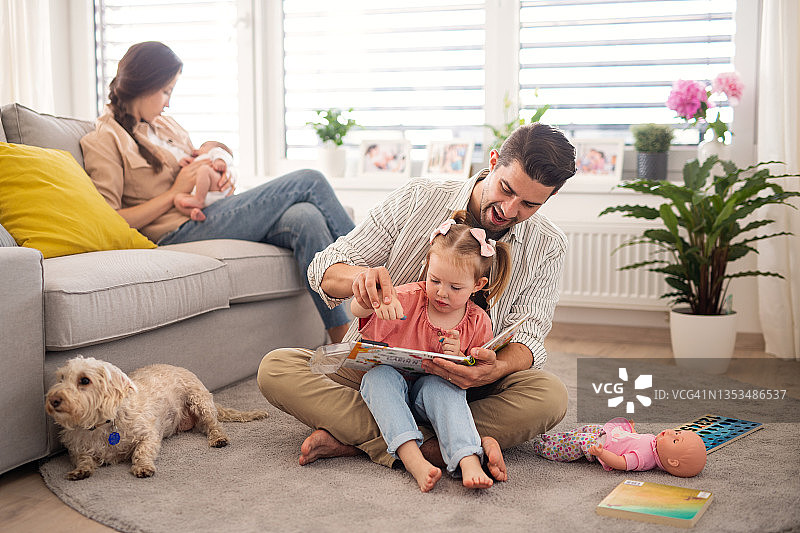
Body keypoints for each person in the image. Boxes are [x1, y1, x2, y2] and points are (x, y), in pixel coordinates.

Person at [257, 121, 576, 475]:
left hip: (463, 386)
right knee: (276, 368)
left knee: (550, 396)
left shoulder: (548, 244)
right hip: (375, 371)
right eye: (505, 189)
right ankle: (452, 445)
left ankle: (375, 440)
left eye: (530, 204)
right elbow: (323, 269)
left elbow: (529, 335)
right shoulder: (418, 198)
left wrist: (494, 369)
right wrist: (361, 279)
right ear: (493, 160)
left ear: (551, 197)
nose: (510, 209)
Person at [79, 41, 354, 343]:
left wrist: (224, 168)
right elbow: (110, 219)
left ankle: (343, 340)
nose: (168, 103)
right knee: (309, 180)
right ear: (145, 83)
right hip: (179, 229)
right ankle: (388, 272)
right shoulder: (104, 139)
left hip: (214, 210)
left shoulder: (164, 125)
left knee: (306, 216)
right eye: (166, 91)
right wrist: (173, 194)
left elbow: (207, 153)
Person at [355, 212, 512, 491]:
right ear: (427, 266)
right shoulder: (407, 299)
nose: (441, 293)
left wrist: (462, 356)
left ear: (478, 286)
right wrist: (373, 303)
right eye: (435, 280)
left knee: (441, 387)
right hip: (393, 389)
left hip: (435, 397)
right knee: (376, 378)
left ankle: (468, 459)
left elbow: (475, 373)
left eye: (455, 287)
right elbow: (357, 312)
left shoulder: (477, 321)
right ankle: (414, 459)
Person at [532, 418, 707, 477]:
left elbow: (621, 462)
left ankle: (545, 448)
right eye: (676, 433)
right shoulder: (654, 443)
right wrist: (632, 429)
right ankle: (552, 438)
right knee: (579, 431)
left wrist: (602, 453)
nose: (670, 433)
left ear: (672, 461)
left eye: (675, 441)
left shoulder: (644, 460)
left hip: (600, 445)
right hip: (606, 434)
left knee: (575, 443)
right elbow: (634, 440)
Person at [172, 141, 236, 222]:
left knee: (204, 169)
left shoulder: (215, 153)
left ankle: (199, 200)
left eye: (203, 146)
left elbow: (225, 155)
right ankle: (194, 212)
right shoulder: (197, 160)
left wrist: (220, 160)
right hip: (201, 198)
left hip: (215, 189)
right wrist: (183, 163)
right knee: (178, 199)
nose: (197, 150)